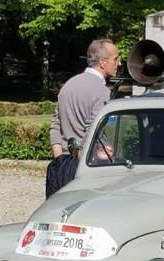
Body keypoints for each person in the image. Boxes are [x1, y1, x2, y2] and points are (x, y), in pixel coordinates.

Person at [45, 39, 120, 198]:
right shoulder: (102, 91)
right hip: (87, 166)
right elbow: (93, 129)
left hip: (62, 163)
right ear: (102, 62)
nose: (119, 63)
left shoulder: (68, 85)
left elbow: (55, 123)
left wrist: (59, 156)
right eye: (116, 59)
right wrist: (81, 163)